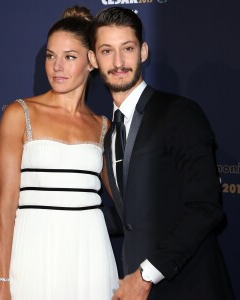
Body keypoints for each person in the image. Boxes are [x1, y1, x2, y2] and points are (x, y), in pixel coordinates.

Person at [88, 6, 235, 300]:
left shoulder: (180, 113)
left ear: (143, 51)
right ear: (93, 59)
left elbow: (205, 207)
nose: (118, 62)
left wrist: (146, 275)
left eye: (127, 48)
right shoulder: (107, 133)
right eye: (107, 51)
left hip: (191, 287)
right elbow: (129, 215)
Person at [0, 6, 119, 300]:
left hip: (90, 259)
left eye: (69, 57)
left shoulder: (103, 127)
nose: (56, 66)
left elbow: (129, 203)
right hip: (32, 256)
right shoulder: (19, 114)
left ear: (92, 61)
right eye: (50, 56)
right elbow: (7, 206)